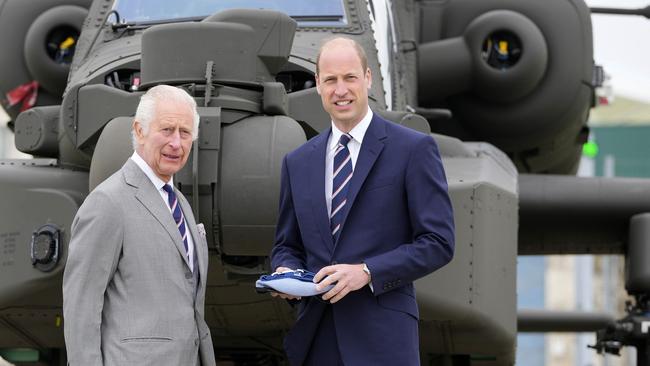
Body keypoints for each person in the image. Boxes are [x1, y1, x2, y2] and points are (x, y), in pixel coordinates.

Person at [270, 37, 455, 365]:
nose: (340, 90)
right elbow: (287, 245)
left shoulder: (413, 149)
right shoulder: (297, 162)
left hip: (383, 342)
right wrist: (286, 270)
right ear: (317, 85)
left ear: (368, 78)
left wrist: (368, 272)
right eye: (330, 80)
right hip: (316, 339)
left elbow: (438, 242)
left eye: (350, 78)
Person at [63, 85, 216, 366]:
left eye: (185, 133)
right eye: (167, 130)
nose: (177, 143)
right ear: (140, 130)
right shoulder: (108, 202)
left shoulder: (179, 202)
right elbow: (81, 306)